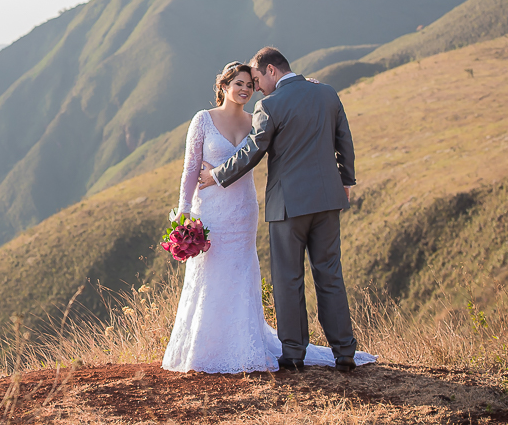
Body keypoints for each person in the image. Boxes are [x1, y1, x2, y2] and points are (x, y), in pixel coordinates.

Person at [160, 56, 375, 374]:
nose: (253, 88)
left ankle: (293, 354)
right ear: (224, 86)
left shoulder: (267, 108)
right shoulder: (326, 92)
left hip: (278, 206)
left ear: (270, 71)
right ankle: (344, 351)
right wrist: (346, 181)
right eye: (244, 84)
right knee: (330, 275)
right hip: (324, 200)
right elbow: (344, 139)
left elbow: (252, 151)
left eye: (255, 81)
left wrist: (217, 175)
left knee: (289, 279)